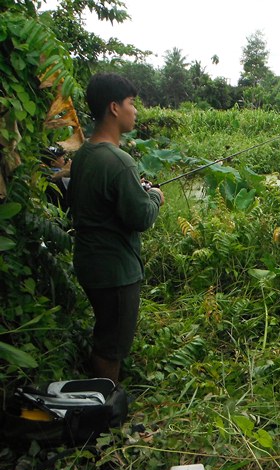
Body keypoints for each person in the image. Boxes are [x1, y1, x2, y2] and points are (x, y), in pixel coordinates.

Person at [68, 73, 164, 383]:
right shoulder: (120, 162)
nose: (135, 110)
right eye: (131, 103)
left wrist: (139, 190)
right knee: (112, 344)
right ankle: (103, 409)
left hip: (89, 262)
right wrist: (155, 197)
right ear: (113, 107)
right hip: (115, 271)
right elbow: (141, 218)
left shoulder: (83, 155)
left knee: (105, 328)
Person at [41, 145, 71, 210]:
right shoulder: (60, 177)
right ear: (52, 163)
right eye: (61, 157)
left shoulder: (43, 174)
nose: (64, 158)